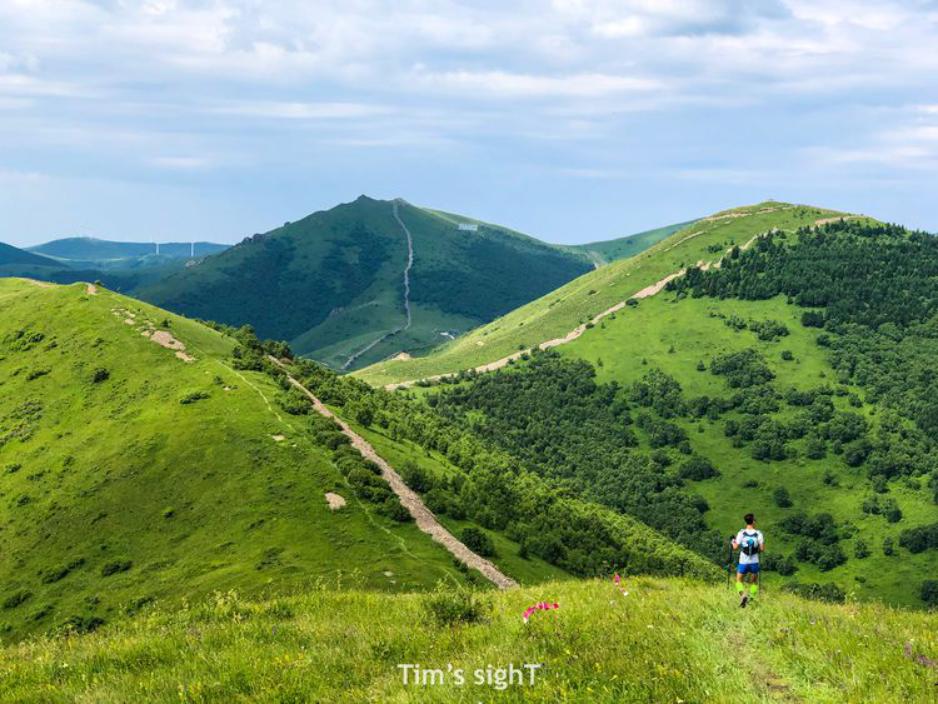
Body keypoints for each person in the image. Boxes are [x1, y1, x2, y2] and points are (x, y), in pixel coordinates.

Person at [732, 513, 764, 608]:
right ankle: (751, 598)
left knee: (738, 580)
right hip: (754, 561)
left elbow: (735, 547)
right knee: (754, 582)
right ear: (753, 521)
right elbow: (762, 549)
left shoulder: (741, 533)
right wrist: (756, 549)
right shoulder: (758, 533)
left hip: (743, 561)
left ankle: (743, 596)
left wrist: (732, 541)